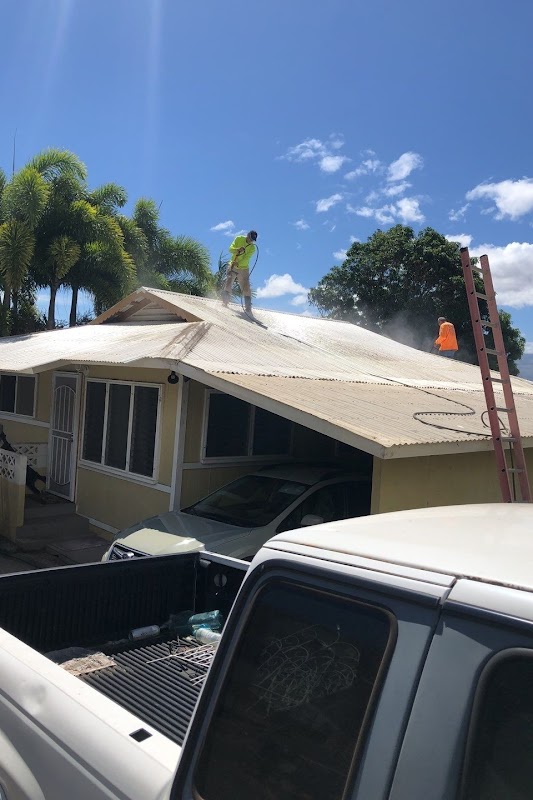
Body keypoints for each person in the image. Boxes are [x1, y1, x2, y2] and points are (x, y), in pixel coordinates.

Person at [222, 230, 257, 314]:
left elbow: (246, 259)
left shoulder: (252, 248)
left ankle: (248, 307)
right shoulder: (238, 238)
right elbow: (230, 249)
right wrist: (237, 250)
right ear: (247, 235)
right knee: (229, 282)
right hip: (233, 264)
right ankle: (225, 302)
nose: (251, 241)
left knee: (246, 287)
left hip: (243, 268)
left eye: (253, 240)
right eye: (250, 239)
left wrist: (238, 263)